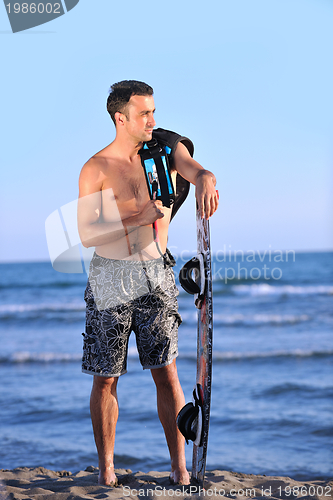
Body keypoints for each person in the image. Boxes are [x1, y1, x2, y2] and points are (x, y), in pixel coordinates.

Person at [77, 80, 218, 487]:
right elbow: (89, 234)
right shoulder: (97, 168)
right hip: (111, 276)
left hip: (156, 273)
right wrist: (138, 217)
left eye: (153, 111)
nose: (152, 120)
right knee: (106, 377)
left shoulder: (163, 148)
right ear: (121, 118)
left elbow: (191, 166)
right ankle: (106, 469)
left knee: (166, 373)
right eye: (144, 113)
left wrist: (205, 176)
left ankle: (179, 465)